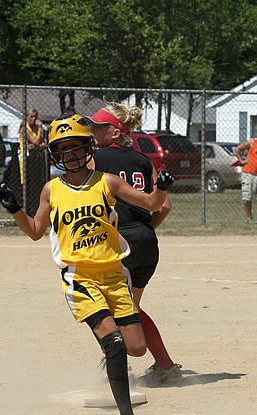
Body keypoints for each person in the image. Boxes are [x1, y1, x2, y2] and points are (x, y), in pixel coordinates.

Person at [0, 114, 173, 415]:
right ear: (54, 155)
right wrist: (14, 208)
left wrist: (162, 189)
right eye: (62, 150)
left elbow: (152, 203)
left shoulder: (107, 181)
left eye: (76, 147)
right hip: (80, 277)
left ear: (88, 147)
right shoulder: (52, 190)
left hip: (115, 275)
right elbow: (36, 230)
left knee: (137, 348)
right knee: (115, 344)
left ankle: (120, 385)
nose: (70, 155)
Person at [83, 102, 181, 385]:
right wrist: (144, 229)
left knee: (108, 308)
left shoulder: (96, 159)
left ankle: (117, 365)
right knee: (131, 309)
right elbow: (164, 206)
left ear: (115, 132)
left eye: (99, 126)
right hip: (146, 241)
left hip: (119, 243)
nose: (93, 130)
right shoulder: (143, 160)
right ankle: (165, 367)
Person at [19, 108, 49, 216]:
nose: (34, 119)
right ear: (27, 117)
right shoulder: (24, 129)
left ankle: (38, 209)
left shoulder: (36, 128)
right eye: (31, 116)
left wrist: (38, 145)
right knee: (29, 185)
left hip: (36, 158)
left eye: (35, 117)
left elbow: (43, 144)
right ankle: (29, 211)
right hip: (27, 159)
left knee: (39, 184)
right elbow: (36, 142)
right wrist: (40, 129)